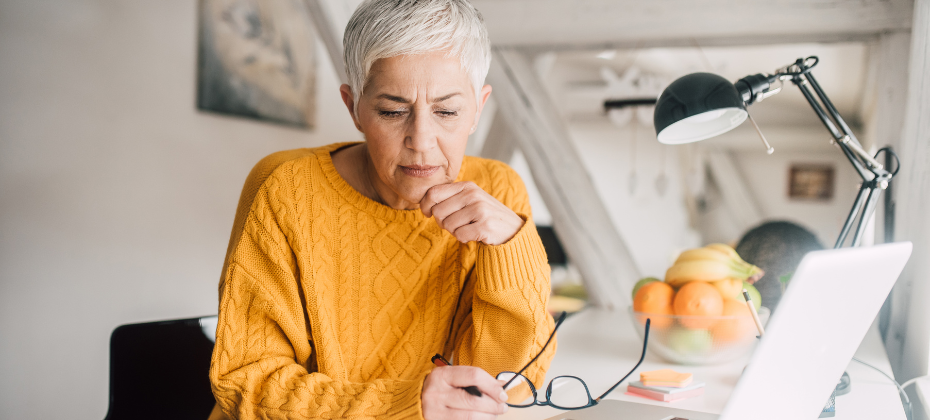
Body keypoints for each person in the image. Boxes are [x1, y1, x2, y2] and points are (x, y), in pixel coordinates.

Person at [208, 1, 556, 419]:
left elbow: (511, 382)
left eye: (446, 111)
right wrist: (402, 406)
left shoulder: (499, 190)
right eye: (392, 111)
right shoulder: (284, 190)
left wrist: (511, 250)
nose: (422, 140)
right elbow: (245, 381)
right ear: (353, 107)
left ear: (479, 108)